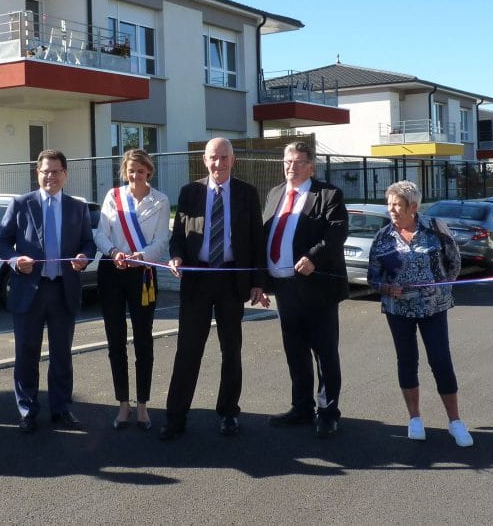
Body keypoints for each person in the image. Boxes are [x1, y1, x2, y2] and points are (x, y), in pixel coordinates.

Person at [159, 138, 265, 441]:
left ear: (233, 160)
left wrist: (258, 281)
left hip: (233, 280)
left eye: (223, 157)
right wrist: (176, 256)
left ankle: (229, 412)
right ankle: (175, 417)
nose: (217, 163)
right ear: (204, 161)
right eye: (212, 158)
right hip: (197, 281)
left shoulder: (247, 194)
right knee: (188, 351)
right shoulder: (190, 193)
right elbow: (178, 236)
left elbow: (257, 240)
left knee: (231, 351)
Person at [0, 149, 94, 433]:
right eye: (45, 171)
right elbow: (1, 242)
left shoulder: (78, 207)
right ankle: (27, 411)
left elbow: (88, 242)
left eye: (56, 171)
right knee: (27, 354)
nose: (50, 176)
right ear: (37, 174)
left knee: (62, 354)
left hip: (63, 290)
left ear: (65, 174)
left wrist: (84, 257)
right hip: (29, 291)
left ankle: (61, 409)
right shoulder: (21, 204)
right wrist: (14, 261)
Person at [367, 180, 474, 447]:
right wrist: (387, 288)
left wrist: (438, 288)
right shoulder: (382, 237)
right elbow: (373, 276)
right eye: (389, 203)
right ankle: (415, 419)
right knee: (407, 361)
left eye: (397, 205)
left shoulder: (435, 229)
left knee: (440, 361)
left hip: (433, 308)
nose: (391, 209)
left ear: (413, 207)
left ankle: (455, 421)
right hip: (398, 310)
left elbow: (454, 263)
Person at [261, 142, 348, 439]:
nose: (291, 167)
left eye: (298, 162)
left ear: (312, 166)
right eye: (287, 161)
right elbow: (265, 237)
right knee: (295, 351)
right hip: (285, 288)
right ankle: (301, 407)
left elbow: (336, 232)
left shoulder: (327, 195)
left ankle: (327, 412)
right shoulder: (274, 194)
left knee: (324, 353)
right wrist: (260, 281)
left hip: (318, 288)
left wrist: (313, 257)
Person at [93, 149, 171, 430]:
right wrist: (113, 251)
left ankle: (142, 405)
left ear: (149, 171)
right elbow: (101, 232)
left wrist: (143, 256)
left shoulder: (160, 200)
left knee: (143, 340)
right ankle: (123, 404)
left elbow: (162, 240)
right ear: (124, 172)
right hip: (112, 271)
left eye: (140, 170)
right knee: (115, 340)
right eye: (130, 170)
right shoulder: (113, 197)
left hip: (143, 275)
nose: (135, 175)